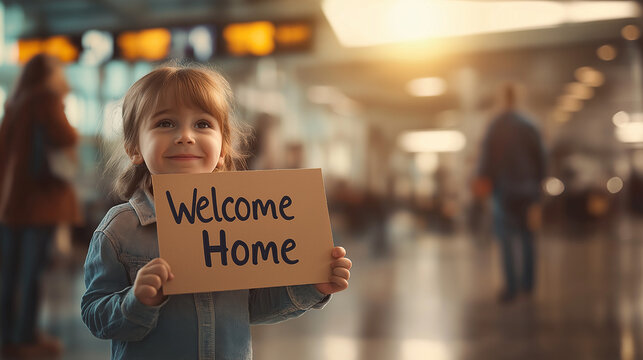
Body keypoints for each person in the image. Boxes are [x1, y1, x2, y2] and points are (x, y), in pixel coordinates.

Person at [81, 65, 352, 359]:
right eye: (165, 123)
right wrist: (135, 301)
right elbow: (94, 313)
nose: (185, 136)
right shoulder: (120, 229)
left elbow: (251, 307)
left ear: (223, 148)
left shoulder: (242, 221)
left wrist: (312, 286)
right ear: (134, 147)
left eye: (202, 124)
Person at [0, 54, 81, 357]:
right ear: (48, 74)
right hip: (39, 203)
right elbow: (67, 135)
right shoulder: (47, 100)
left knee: (9, 273)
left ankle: (9, 336)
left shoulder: (14, 104)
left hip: (10, 204)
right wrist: (63, 95)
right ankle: (26, 338)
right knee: (32, 273)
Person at [475, 83, 545, 303]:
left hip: (504, 190)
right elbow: (541, 157)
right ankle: (528, 284)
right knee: (527, 236)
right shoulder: (530, 125)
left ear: (501, 99)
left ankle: (511, 287)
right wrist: (539, 184)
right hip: (528, 188)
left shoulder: (495, 125)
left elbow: (486, 158)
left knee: (505, 237)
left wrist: (483, 182)